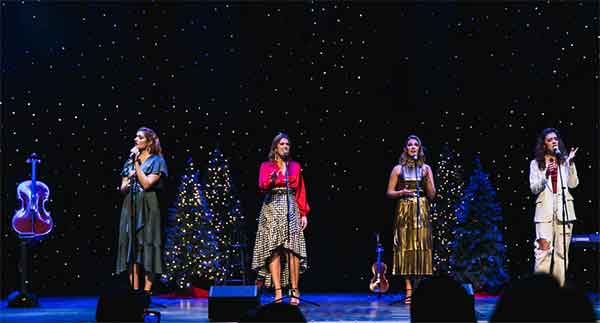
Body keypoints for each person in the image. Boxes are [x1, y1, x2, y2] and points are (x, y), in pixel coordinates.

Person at [252, 133, 310, 305]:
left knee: (293, 250)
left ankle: (294, 290)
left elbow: (301, 190)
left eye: (287, 144)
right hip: (271, 208)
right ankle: (278, 291)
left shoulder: (295, 166)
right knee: (274, 250)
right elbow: (262, 185)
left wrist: (304, 213)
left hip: (290, 206)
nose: (285, 146)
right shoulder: (266, 166)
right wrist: (270, 181)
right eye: (282, 144)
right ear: (275, 147)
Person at [116, 127, 168, 294]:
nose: (135, 139)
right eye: (136, 137)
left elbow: (146, 184)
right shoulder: (129, 162)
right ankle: (134, 292)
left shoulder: (157, 161)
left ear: (149, 142)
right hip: (129, 206)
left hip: (148, 206)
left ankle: (146, 293)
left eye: (139, 137)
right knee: (130, 247)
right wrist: (128, 181)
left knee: (148, 245)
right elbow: (122, 188)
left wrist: (137, 166)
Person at [386, 134, 436, 304]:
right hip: (404, 209)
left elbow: (432, 194)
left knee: (421, 246)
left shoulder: (426, 168)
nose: (413, 147)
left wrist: (427, 176)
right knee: (406, 247)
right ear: (406, 148)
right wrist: (401, 193)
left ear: (419, 148)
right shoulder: (398, 169)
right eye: (410, 144)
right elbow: (389, 192)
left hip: (421, 208)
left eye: (416, 144)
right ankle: (408, 289)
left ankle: (420, 289)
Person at [529, 128, 578, 286]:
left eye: (555, 138)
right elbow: (534, 188)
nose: (554, 141)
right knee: (543, 253)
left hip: (565, 213)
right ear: (544, 144)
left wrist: (570, 163)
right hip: (544, 214)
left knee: (561, 255)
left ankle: (558, 293)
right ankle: (540, 293)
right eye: (550, 139)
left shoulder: (564, 161)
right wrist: (546, 176)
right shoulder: (536, 164)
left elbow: (573, 184)